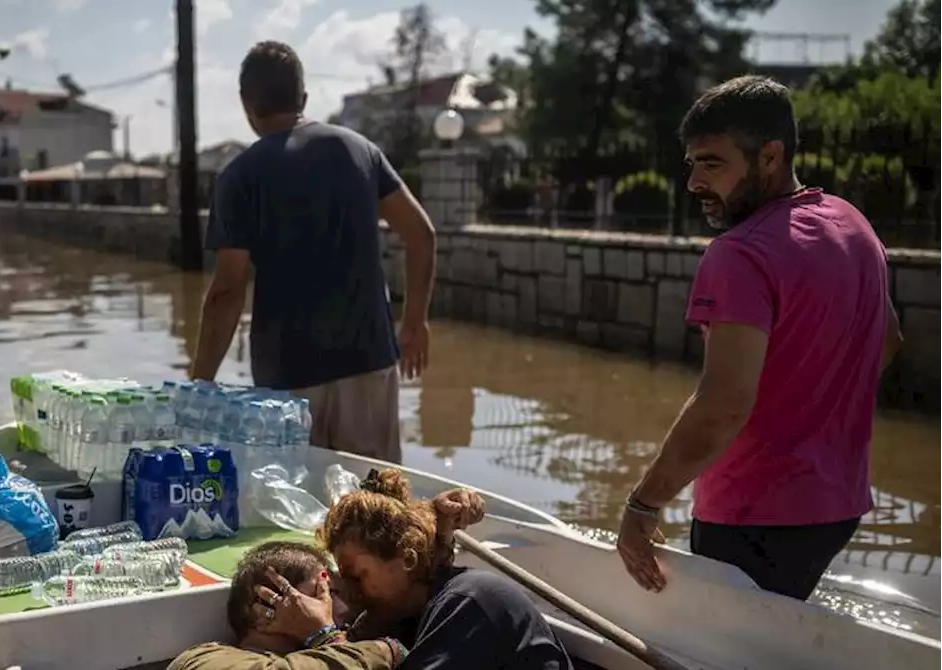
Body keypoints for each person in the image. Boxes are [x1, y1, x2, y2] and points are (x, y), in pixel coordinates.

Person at [615, 75, 904, 601]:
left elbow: (723, 403)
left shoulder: (740, 252)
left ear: (770, 156)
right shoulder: (854, 225)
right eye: (692, 163)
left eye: (713, 163)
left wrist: (642, 505)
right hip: (838, 507)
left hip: (754, 515)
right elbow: (887, 343)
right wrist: (808, 409)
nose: (694, 182)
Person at [190, 41, 437, 464]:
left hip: (288, 380)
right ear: (303, 98)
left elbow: (227, 292)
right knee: (379, 511)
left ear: (247, 104)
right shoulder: (359, 151)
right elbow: (422, 234)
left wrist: (200, 384)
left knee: (295, 516)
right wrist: (414, 323)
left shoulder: (240, 175)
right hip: (369, 361)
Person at [256, 470, 573, 669]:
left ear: (406, 560)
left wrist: (322, 635)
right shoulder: (400, 611)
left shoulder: (468, 603)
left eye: (359, 576)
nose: (351, 593)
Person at [169, 487, 486, 670]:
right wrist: (328, 636)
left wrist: (432, 527)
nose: (350, 598)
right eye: (327, 589)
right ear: (267, 602)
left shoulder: (339, 643)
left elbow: (404, 595)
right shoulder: (204, 660)